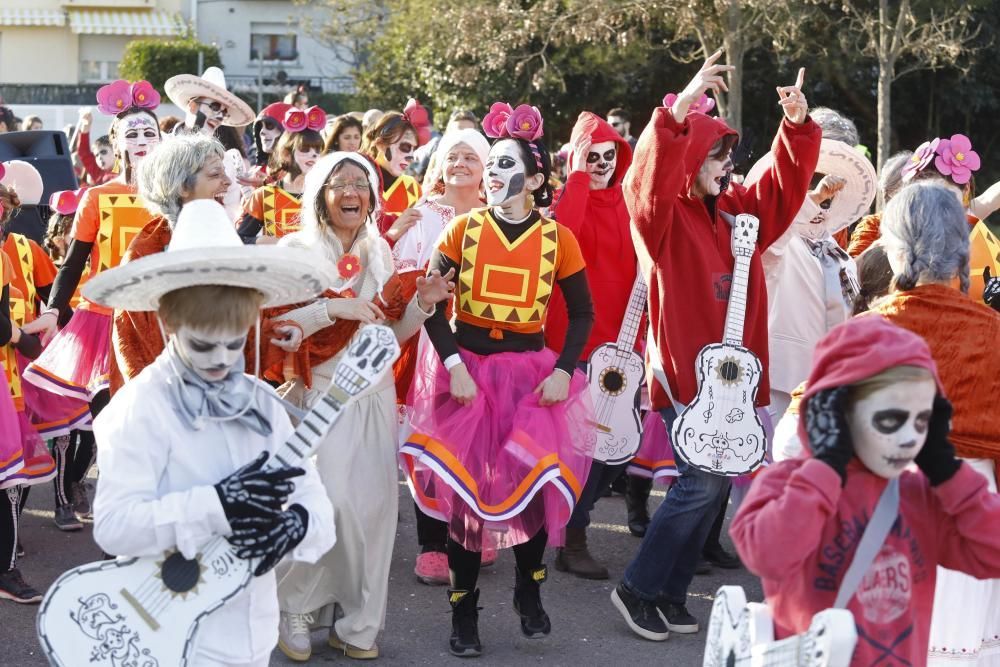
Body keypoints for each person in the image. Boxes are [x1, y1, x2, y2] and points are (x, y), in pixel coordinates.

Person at [610, 50, 820, 642]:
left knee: (717, 480)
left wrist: (797, 128)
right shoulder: (663, 216)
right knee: (701, 481)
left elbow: (779, 189)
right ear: (691, 155)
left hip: (735, 375)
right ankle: (637, 588)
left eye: (731, 153)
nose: (729, 163)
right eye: (717, 152)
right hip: (684, 373)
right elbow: (645, 178)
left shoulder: (735, 211)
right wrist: (679, 108)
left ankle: (670, 594)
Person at [86, 198, 337, 667]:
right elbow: (116, 527)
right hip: (168, 639)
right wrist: (216, 505)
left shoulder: (264, 406)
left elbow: (313, 500)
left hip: (252, 635)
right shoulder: (140, 407)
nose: (222, 360)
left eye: (235, 342)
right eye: (203, 344)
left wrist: (297, 526)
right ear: (168, 322)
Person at [400, 102, 595, 657]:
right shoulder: (462, 231)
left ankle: (529, 595)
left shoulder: (560, 240)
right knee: (467, 499)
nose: (492, 173)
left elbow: (582, 313)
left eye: (505, 164)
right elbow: (431, 303)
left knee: (529, 493)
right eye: (492, 164)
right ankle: (463, 613)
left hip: (532, 380)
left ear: (534, 180)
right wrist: (455, 367)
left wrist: (564, 371)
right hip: (469, 378)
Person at [731, 314, 1000, 666]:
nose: (907, 438)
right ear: (839, 412)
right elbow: (767, 554)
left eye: (920, 421)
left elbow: (991, 551)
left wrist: (948, 472)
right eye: (891, 419)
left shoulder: (919, 495)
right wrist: (824, 469)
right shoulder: (788, 482)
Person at [271, 151, 453, 661]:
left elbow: (388, 338)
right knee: (325, 505)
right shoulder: (295, 251)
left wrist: (422, 305)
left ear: (373, 197)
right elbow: (276, 334)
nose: (352, 192)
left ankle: (356, 623)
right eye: (340, 184)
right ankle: (296, 610)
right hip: (319, 396)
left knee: (373, 516)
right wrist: (331, 307)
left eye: (361, 184)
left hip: (371, 396)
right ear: (320, 197)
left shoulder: (382, 255)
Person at [862, 182, 1000, 665]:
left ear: (895, 253)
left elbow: (795, 442)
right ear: (963, 255)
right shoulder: (993, 333)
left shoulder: (866, 333)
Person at [21, 80, 162, 441]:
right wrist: (53, 310)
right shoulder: (97, 196)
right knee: (108, 417)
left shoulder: (172, 197)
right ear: (116, 143)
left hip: (157, 317)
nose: (142, 141)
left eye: (150, 132)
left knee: (152, 417)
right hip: (103, 319)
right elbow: (73, 261)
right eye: (133, 134)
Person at [388, 128, 492, 586]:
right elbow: (399, 280)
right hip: (430, 344)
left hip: (487, 345)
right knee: (429, 441)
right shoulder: (422, 216)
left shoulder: (501, 217)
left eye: (471, 156)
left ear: (487, 167)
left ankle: (469, 531)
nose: (461, 163)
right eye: (453, 156)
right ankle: (432, 543)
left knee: (477, 442)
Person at [544, 109, 635, 580]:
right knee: (577, 448)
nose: (602, 163)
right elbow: (563, 238)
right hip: (575, 345)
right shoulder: (568, 199)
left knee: (611, 450)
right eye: (591, 156)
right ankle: (569, 537)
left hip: (623, 345)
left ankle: (572, 525)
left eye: (608, 155)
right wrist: (578, 176)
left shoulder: (629, 200)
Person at [753, 108, 876, 422]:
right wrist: (811, 198)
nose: (824, 197)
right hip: (779, 383)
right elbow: (778, 234)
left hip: (830, 384)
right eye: (813, 181)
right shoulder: (777, 238)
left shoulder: (835, 249)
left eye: (833, 190)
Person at [110, 134, 234, 391]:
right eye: (215, 175)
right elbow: (132, 348)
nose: (228, 182)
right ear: (182, 187)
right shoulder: (145, 254)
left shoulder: (225, 239)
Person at [238, 107, 325, 245]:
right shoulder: (264, 195)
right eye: (305, 149)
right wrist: (265, 241)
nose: (314, 155)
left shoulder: (325, 196)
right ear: (286, 154)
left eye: (318, 150)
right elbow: (239, 239)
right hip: (275, 265)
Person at [362, 104, 429, 216]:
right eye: (405, 147)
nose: (411, 157)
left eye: (414, 149)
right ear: (381, 145)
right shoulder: (360, 181)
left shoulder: (411, 187)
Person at [165, 67, 254, 136]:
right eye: (215, 107)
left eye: (224, 113)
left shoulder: (219, 157)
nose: (220, 117)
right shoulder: (163, 146)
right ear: (192, 106)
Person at [74, 108, 115, 186]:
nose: (99, 157)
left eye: (103, 152)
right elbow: (83, 152)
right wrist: (86, 125)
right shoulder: (98, 172)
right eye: (96, 155)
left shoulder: (127, 170)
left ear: (116, 151)